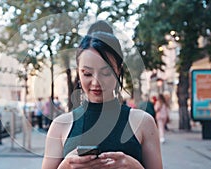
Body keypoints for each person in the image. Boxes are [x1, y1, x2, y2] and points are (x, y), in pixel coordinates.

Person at [42, 20, 162, 169]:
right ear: (78, 73)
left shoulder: (144, 122)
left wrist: (135, 167)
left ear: (119, 70)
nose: (95, 82)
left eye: (106, 72)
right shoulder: (60, 126)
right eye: (87, 73)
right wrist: (65, 166)